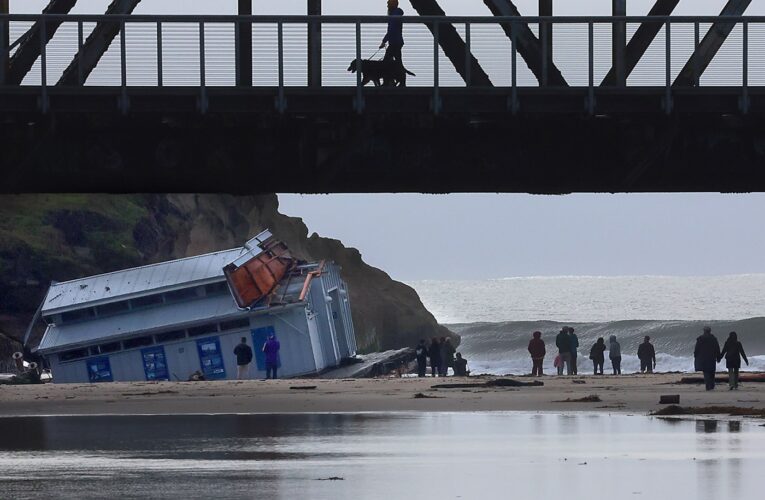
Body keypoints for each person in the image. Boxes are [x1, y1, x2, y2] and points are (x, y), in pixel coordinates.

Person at [694, 326, 721, 390]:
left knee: (706, 372)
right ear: (710, 331)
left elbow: (697, 348)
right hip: (711, 357)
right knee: (712, 371)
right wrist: (718, 357)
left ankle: (708, 385)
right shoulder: (713, 339)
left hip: (703, 358)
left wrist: (695, 355)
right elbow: (717, 348)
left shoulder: (700, 338)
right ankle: (712, 385)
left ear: (704, 331)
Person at [380, 0, 405, 67]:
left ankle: (392, 76)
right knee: (397, 62)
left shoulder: (394, 15)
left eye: (388, 4)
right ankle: (396, 76)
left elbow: (391, 30)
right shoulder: (396, 14)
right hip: (396, 42)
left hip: (395, 42)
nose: (387, 6)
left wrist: (384, 41)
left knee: (386, 63)